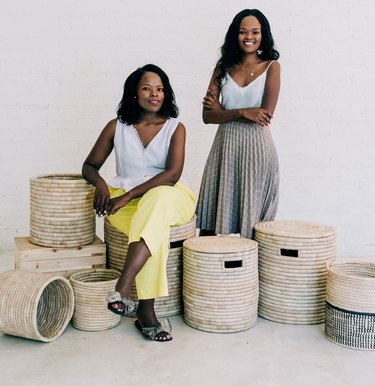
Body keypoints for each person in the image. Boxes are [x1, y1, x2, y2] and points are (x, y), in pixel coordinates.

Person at [82, 64, 196, 342]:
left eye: (160, 89)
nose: (154, 94)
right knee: (151, 228)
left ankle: (123, 286)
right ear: (134, 93)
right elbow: (89, 165)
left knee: (156, 200)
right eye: (147, 88)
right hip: (128, 204)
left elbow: (171, 175)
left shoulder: (175, 128)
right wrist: (100, 184)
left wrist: (129, 195)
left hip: (171, 197)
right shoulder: (116, 127)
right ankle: (146, 312)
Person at [196, 9, 280, 239]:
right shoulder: (222, 68)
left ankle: (249, 273)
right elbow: (207, 116)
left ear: (263, 35)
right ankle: (204, 267)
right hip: (225, 147)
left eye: (255, 32)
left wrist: (223, 111)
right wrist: (243, 111)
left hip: (257, 148)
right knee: (211, 216)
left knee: (253, 224)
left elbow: (264, 115)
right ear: (235, 34)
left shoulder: (272, 67)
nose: (248, 37)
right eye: (243, 32)